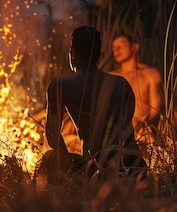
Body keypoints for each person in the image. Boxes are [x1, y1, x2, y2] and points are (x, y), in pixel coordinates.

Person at [40, 26, 145, 184]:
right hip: (133, 167)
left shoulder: (60, 85)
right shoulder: (122, 84)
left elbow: (52, 135)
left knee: (50, 158)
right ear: (99, 55)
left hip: (98, 168)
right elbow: (127, 128)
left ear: (73, 53)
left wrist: (68, 163)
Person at [110, 34, 163, 139]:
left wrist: (145, 125)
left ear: (134, 47)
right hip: (116, 135)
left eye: (121, 45)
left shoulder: (150, 74)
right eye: (113, 48)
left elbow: (156, 109)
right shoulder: (110, 77)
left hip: (143, 133)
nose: (117, 50)